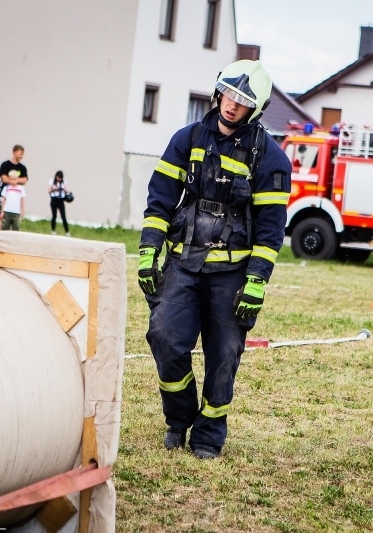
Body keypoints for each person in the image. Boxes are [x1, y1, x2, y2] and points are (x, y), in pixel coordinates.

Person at [138, 60, 290, 460]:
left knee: (223, 357)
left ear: (255, 108)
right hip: (183, 263)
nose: (232, 105)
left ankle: (208, 437)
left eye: (243, 100)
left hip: (233, 274)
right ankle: (179, 418)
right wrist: (148, 249)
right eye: (229, 94)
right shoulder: (186, 139)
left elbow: (272, 229)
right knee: (165, 338)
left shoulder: (271, 159)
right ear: (218, 91)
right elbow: (160, 200)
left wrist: (256, 281)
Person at [0, 145, 28, 231]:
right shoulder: (5, 165)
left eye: (23, 154)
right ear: (14, 152)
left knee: (11, 219)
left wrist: (15, 179)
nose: (21, 156)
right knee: (0, 215)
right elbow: (4, 178)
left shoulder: (22, 168)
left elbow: (24, 180)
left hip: (14, 196)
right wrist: (14, 180)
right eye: (20, 154)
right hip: (2, 192)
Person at [48, 170, 71, 236]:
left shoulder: (64, 182)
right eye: (58, 177)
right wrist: (53, 189)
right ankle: (53, 231)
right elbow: (48, 190)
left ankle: (67, 232)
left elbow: (66, 190)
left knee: (63, 216)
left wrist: (66, 191)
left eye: (60, 178)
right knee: (54, 216)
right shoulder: (52, 181)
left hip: (61, 200)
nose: (59, 179)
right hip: (54, 200)